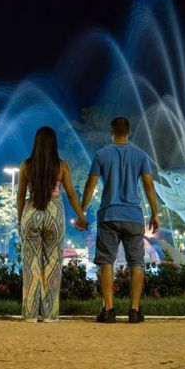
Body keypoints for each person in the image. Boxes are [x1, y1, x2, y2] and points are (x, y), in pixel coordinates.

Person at [78, 117, 159, 324]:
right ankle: (134, 310)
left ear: (111, 132)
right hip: (133, 216)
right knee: (137, 263)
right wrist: (154, 213)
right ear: (128, 132)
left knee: (106, 261)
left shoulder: (101, 155)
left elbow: (91, 185)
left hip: (109, 215)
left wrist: (82, 211)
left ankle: (109, 310)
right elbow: (149, 186)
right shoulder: (140, 156)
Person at [17, 126, 86, 322]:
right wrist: (81, 216)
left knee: (31, 265)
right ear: (54, 144)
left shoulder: (26, 166)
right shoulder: (62, 166)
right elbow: (71, 194)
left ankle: (30, 314)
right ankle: (49, 314)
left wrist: (19, 219)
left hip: (31, 212)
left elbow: (21, 195)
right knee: (53, 264)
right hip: (54, 214)